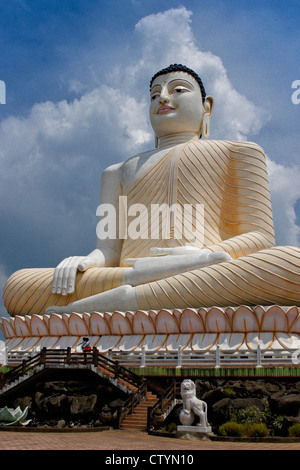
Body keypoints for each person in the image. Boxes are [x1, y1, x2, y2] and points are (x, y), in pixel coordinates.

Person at [3, 64, 300, 317]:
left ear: (206, 106)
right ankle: (138, 292)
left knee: (292, 264)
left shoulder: (239, 151)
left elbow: (261, 239)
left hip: (207, 267)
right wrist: (85, 262)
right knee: (18, 286)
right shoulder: (118, 171)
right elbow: (109, 249)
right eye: (154, 95)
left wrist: (205, 253)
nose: (164, 98)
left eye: (178, 90)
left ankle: (87, 312)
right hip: (145, 274)